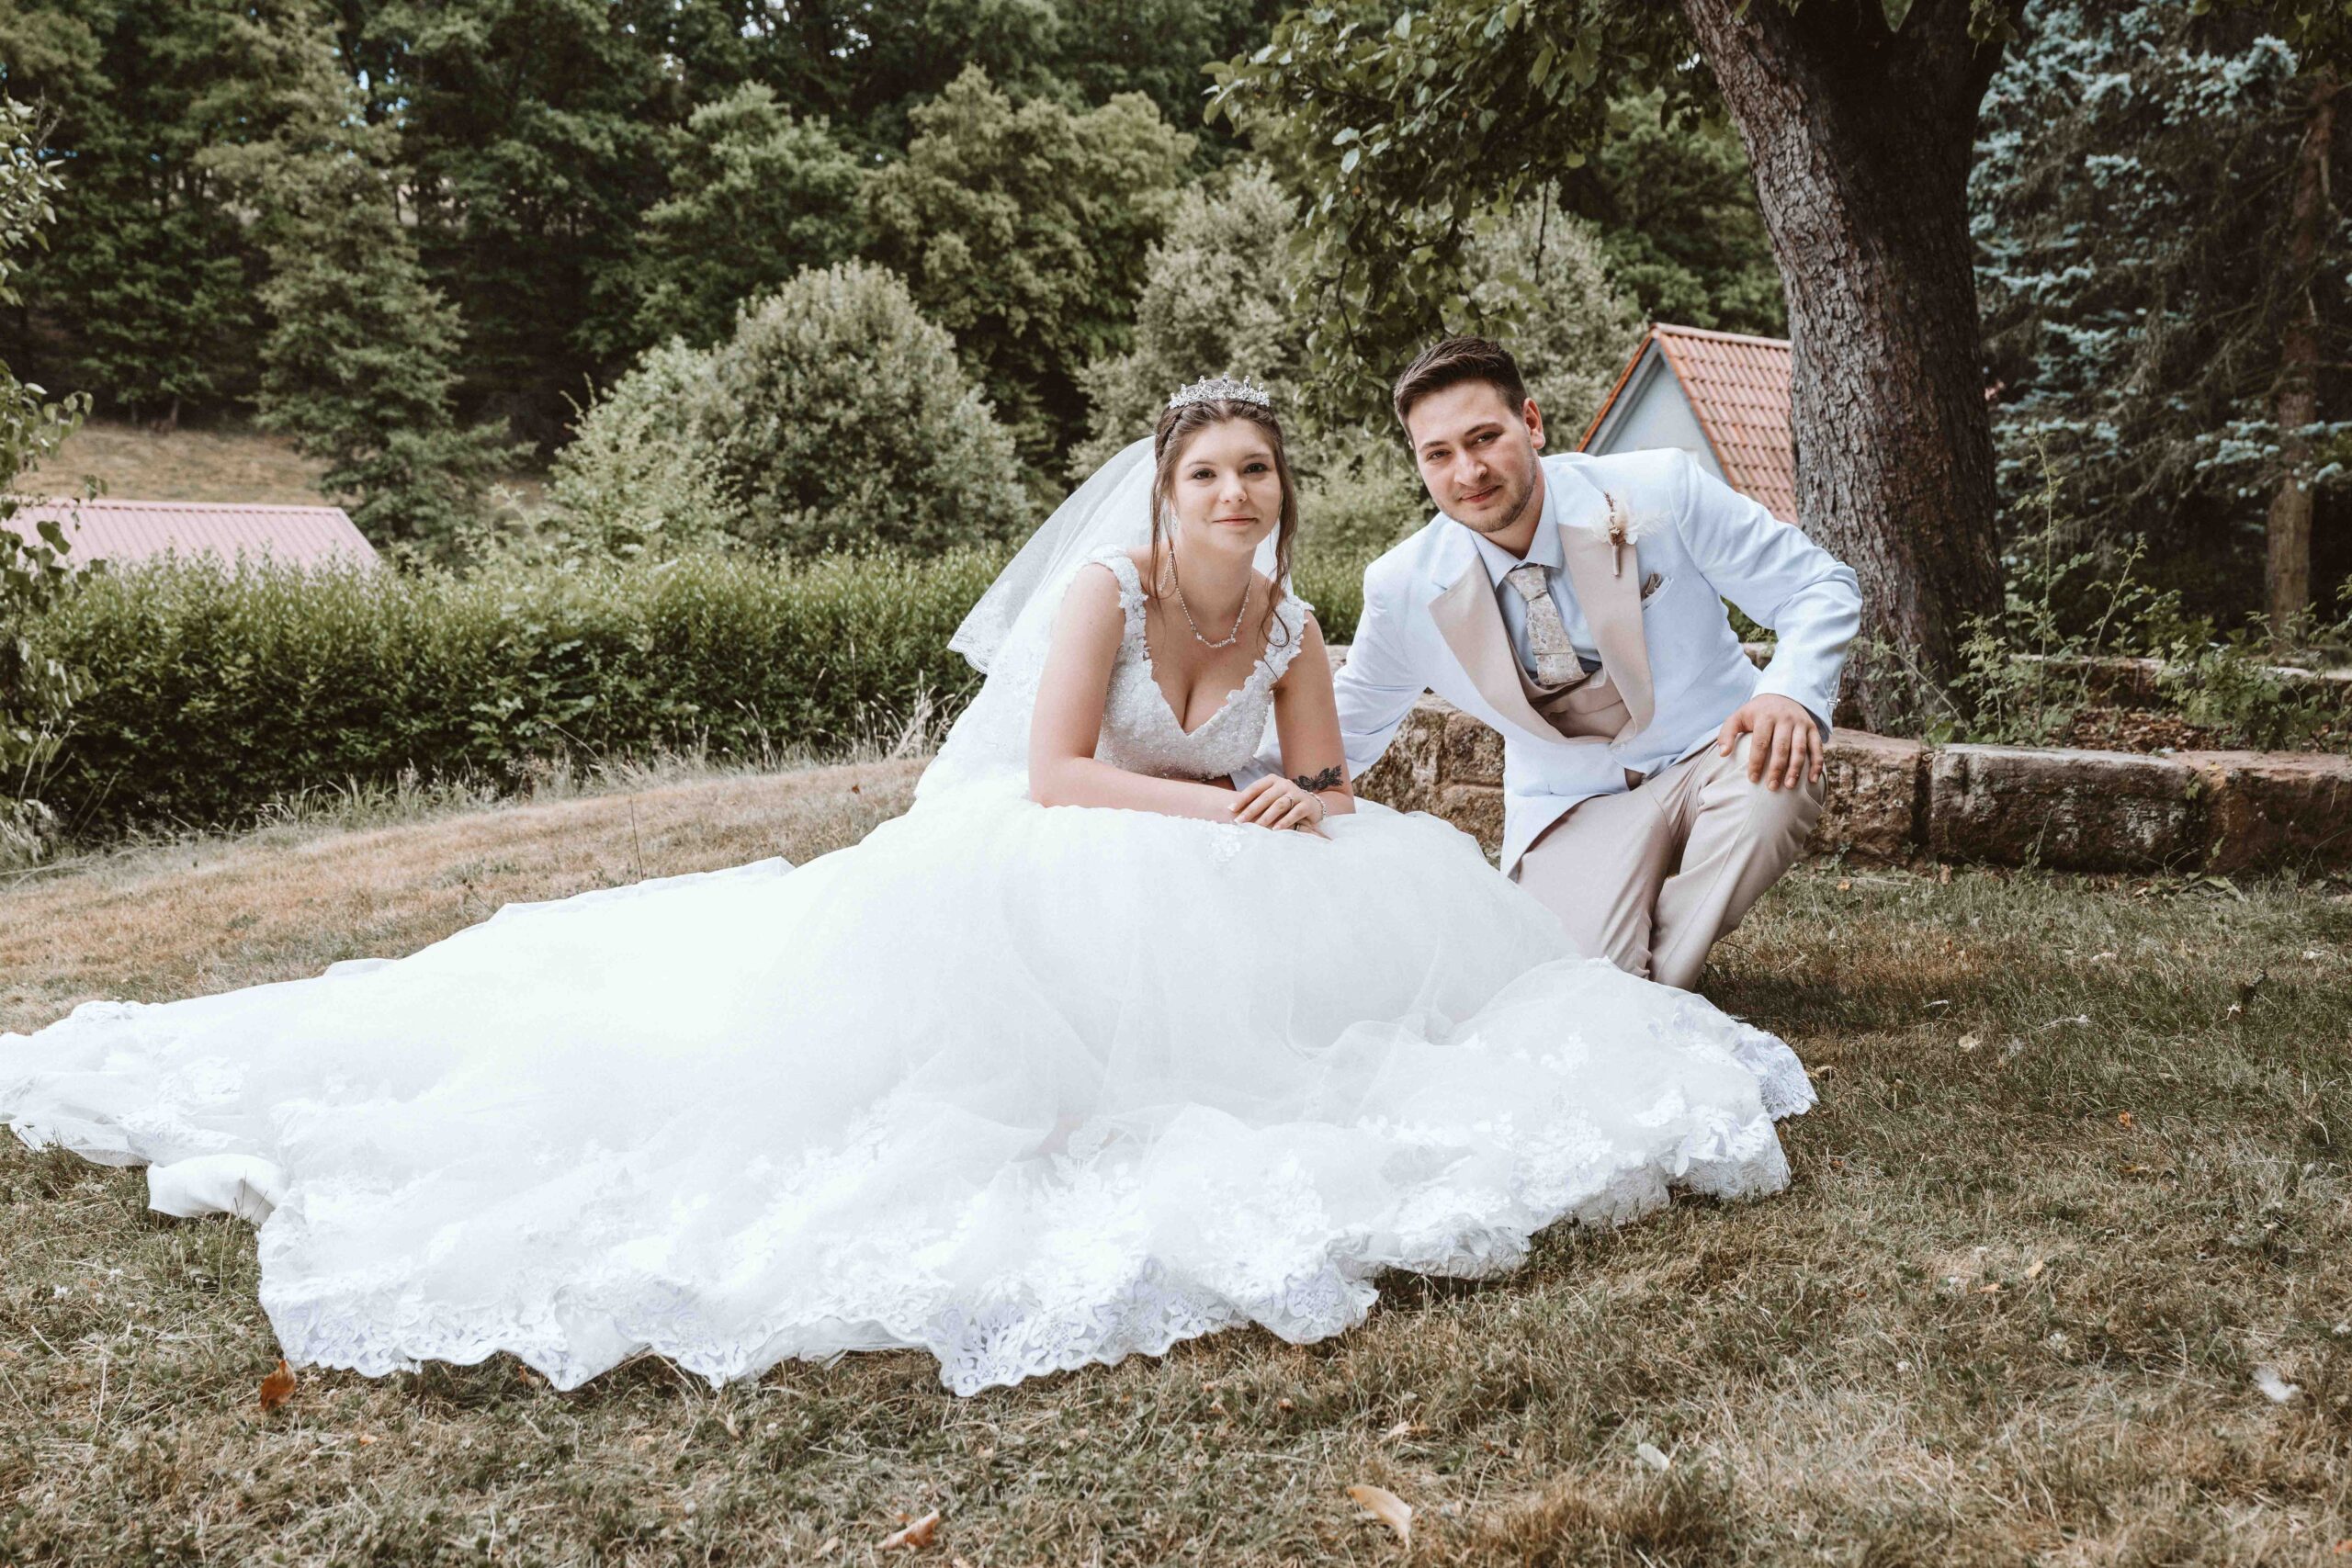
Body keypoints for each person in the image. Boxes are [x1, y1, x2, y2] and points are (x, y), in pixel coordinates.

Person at [1, 378, 1812, 1398]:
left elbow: (1330, 772)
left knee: (1380, 929)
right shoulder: (1103, 590)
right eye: (1210, 471)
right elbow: (1047, 774)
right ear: (1164, 484)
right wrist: (1214, 815)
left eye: (1261, 470)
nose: (1240, 493)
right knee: (996, 1005)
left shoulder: (1293, 614)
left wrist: (1299, 797)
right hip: (1066, 843)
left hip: (1235, 853)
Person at [1267, 337, 1861, 991]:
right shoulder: (1402, 585)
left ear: (1531, 422)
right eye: (1439, 454)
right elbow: (1348, 724)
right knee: (1570, 973)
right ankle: (1620, 981)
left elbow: (1817, 586)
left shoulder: (1658, 488)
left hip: (1711, 755)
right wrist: (1239, 790)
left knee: (1773, 778)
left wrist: (1790, 693)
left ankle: (1640, 999)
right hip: (1570, 802)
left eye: (1485, 438)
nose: (1469, 472)